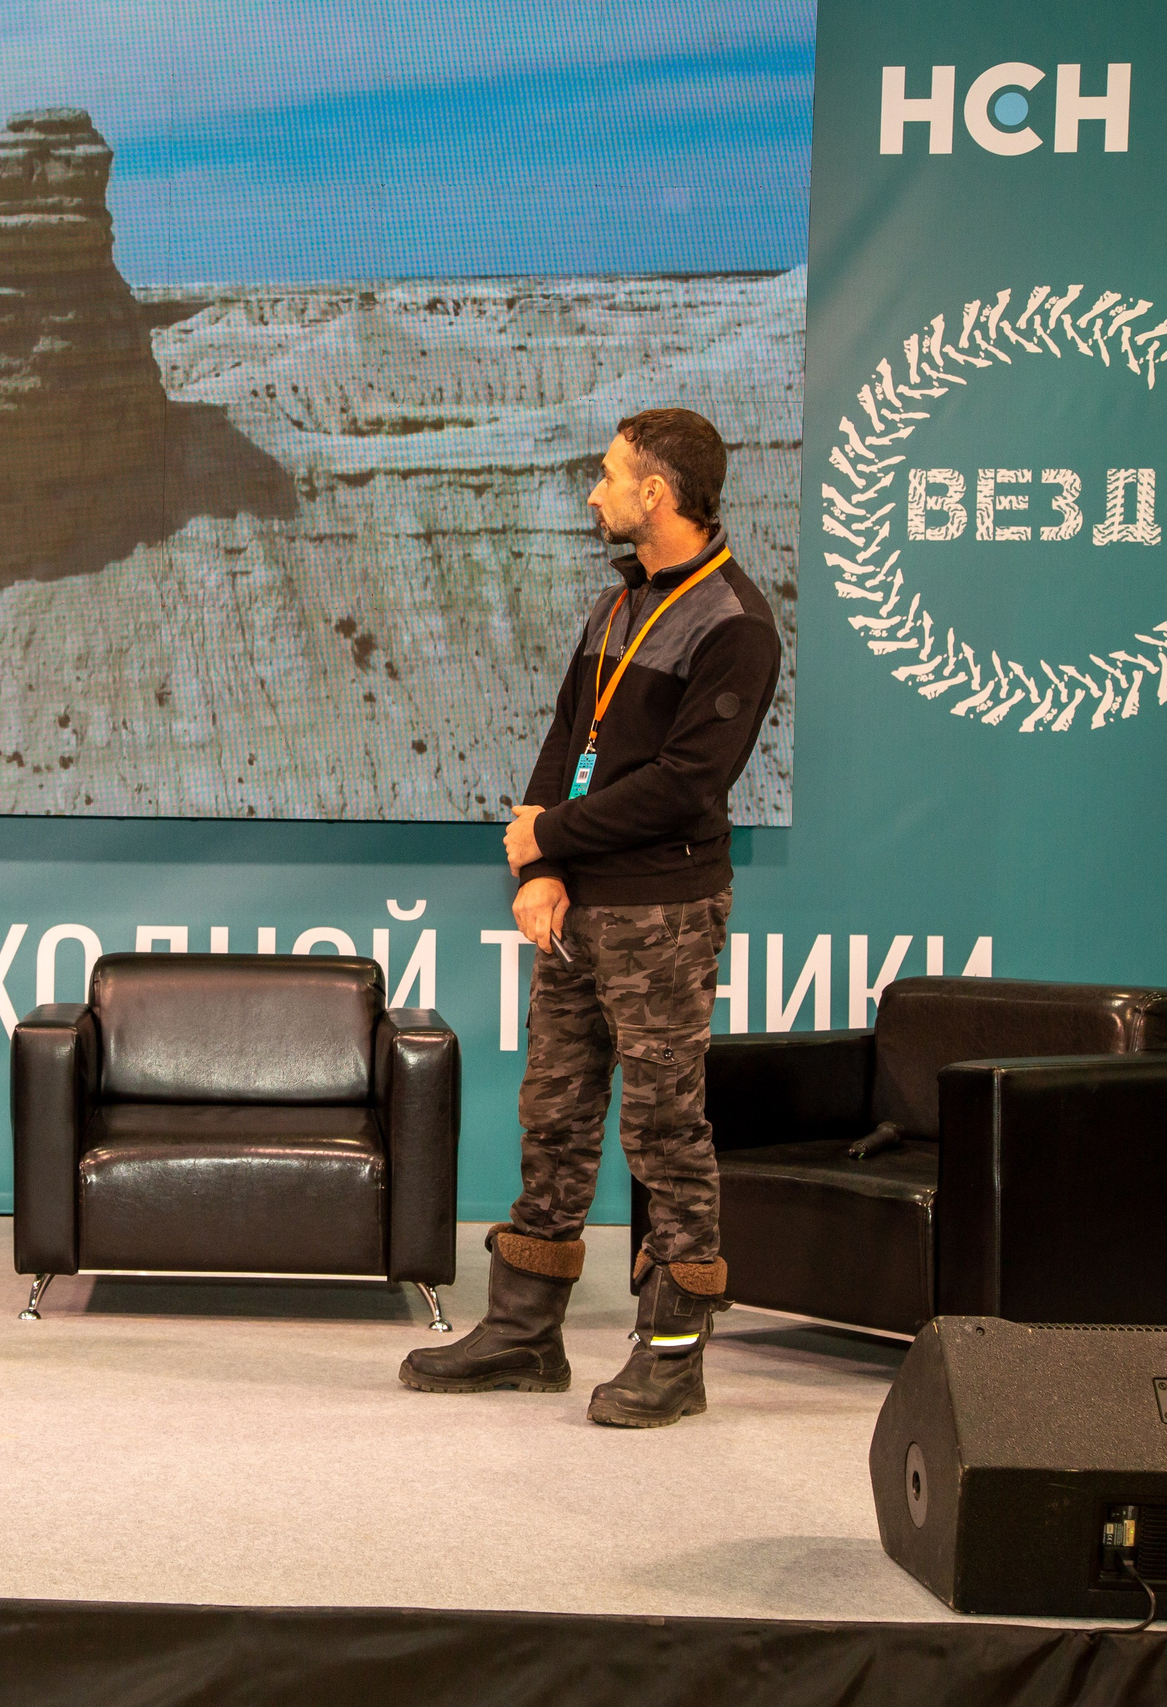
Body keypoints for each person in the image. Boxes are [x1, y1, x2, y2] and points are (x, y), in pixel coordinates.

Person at [402, 407, 780, 1428]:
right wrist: (540, 862)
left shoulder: (734, 623)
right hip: (577, 908)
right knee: (554, 1118)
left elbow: (688, 786)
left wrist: (550, 836)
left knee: (664, 1133)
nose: (594, 492)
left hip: (661, 911)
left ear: (658, 494)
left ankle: (671, 1357)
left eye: (609, 476)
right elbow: (568, 733)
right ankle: (524, 1338)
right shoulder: (616, 608)